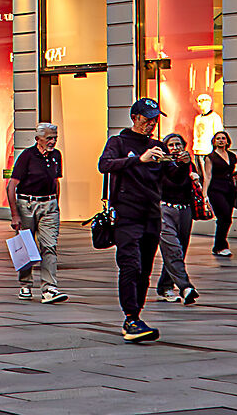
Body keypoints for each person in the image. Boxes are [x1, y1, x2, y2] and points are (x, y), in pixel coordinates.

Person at [101, 99, 171, 342]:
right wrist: (139, 159)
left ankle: (135, 318)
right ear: (134, 117)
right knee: (131, 265)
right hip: (127, 214)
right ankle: (131, 317)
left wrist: (181, 163)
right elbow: (105, 165)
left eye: (155, 119)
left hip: (151, 214)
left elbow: (171, 178)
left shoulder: (157, 145)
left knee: (145, 269)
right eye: (147, 118)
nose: (151, 123)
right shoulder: (118, 142)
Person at [4, 122, 65, 303]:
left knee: (49, 246)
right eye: (49, 138)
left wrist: (56, 204)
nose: (52, 141)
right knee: (26, 245)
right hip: (27, 205)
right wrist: (15, 214)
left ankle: (49, 288)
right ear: (38, 139)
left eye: (55, 138)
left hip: (49, 205)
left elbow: (56, 181)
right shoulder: (27, 156)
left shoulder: (56, 155)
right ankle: (25, 284)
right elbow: (11, 186)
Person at [155, 133, 206, 307]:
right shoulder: (162, 163)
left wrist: (195, 180)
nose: (175, 148)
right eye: (171, 145)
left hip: (185, 209)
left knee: (180, 249)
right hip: (165, 208)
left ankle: (165, 286)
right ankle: (186, 287)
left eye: (178, 144)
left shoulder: (189, 163)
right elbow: (174, 179)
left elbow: (193, 182)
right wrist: (183, 166)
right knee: (172, 248)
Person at [205, 132, 237, 257]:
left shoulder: (232, 156)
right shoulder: (210, 157)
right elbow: (207, 176)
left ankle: (219, 245)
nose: (221, 140)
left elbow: (231, 172)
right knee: (224, 216)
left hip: (229, 189)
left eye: (223, 138)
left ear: (227, 141)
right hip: (216, 189)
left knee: (227, 218)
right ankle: (221, 246)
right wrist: (204, 194)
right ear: (214, 141)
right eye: (218, 138)